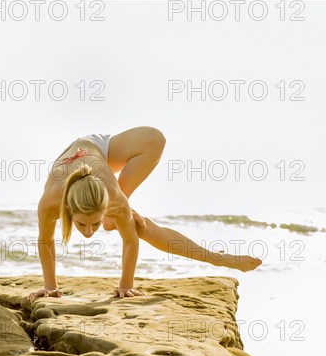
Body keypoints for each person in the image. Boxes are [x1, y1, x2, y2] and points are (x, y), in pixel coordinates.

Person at [28, 126, 262, 302]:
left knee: (154, 139)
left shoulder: (114, 197)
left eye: (96, 223)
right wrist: (50, 287)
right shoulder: (51, 201)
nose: (88, 233)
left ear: (106, 205)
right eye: (82, 224)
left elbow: (130, 240)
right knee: (135, 224)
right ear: (68, 210)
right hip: (78, 156)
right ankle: (215, 257)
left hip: (97, 148)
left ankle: (215, 258)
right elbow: (46, 240)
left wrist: (126, 284)